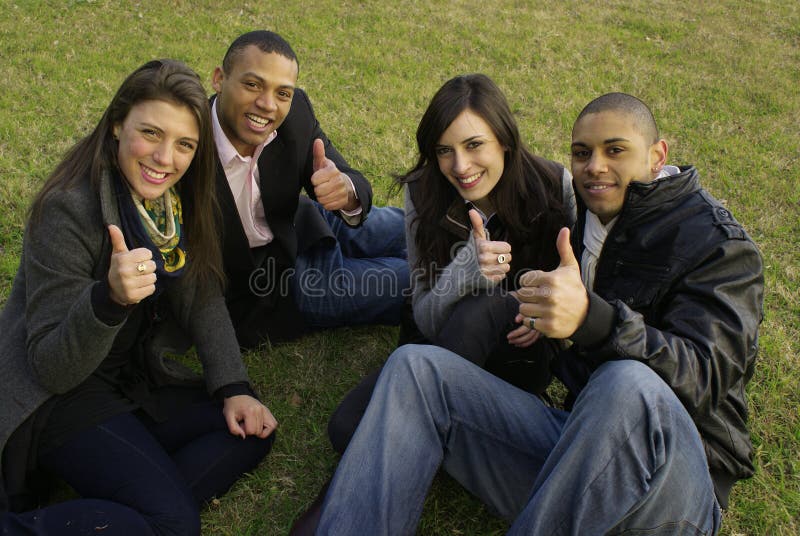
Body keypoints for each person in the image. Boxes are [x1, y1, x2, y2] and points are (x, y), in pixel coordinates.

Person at [313, 92, 764, 534]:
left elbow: (704, 376)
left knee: (627, 382)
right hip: (577, 450)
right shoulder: (585, 212)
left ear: (656, 154)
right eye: (582, 153)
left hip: (673, 490)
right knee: (416, 367)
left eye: (615, 150)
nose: (595, 167)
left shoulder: (718, 244)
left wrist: (592, 318)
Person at [0, 59, 275, 535]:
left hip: (131, 381)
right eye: (151, 133)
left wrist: (234, 387)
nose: (165, 158)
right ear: (116, 125)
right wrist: (107, 300)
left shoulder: (172, 200)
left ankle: (122, 512)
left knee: (249, 432)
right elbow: (51, 366)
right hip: (61, 399)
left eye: (184, 144)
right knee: (174, 524)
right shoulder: (68, 209)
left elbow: (201, 297)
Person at [323, 73, 576, 455]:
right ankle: (445, 430)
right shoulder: (422, 191)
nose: (460, 165)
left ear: (504, 140)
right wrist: (465, 272)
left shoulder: (555, 185)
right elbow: (424, 316)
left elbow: (584, 294)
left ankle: (400, 444)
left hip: (519, 356)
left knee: (488, 307)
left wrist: (547, 315)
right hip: (439, 342)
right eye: (444, 150)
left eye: (474, 145)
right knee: (344, 427)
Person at [210, 30, 409, 348]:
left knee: (418, 226)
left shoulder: (295, 113)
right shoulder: (184, 148)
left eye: (282, 93)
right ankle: (499, 285)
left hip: (305, 221)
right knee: (419, 280)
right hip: (275, 284)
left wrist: (345, 192)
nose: (267, 105)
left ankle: (506, 246)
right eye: (252, 84)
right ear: (219, 79)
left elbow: (350, 178)